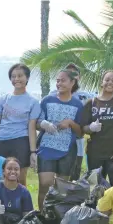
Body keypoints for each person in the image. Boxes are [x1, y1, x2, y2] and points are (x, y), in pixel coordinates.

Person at [37, 69, 83, 210]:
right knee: (45, 183)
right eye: (57, 80)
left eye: (63, 80)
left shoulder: (78, 105)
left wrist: (70, 122)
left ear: (72, 82)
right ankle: (41, 215)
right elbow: (37, 123)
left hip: (67, 149)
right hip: (47, 147)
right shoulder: (47, 100)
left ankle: (56, 219)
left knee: (62, 189)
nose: (59, 83)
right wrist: (44, 124)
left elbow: (80, 133)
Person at [0, 63, 41, 186]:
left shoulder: (33, 102)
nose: (16, 79)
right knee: (0, 178)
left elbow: (32, 127)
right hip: (1, 141)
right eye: (13, 76)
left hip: (21, 142)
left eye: (20, 76)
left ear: (27, 78)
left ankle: (23, 204)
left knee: (20, 179)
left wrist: (33, 151)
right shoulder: (4, 98)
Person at [81, 70, 113, 186]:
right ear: (102, 82)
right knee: (96, 187)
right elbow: (83, 128)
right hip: (95, 153)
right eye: (107, 80)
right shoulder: (91, 103)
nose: (110, 83)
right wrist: (91, 128)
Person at [49, 63, 94, 181]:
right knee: (53, 180)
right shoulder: (52, 95)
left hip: (76, 144)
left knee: (72, 178)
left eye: (74, 74)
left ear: (78, 78)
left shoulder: (85, 97)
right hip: (55, 142)